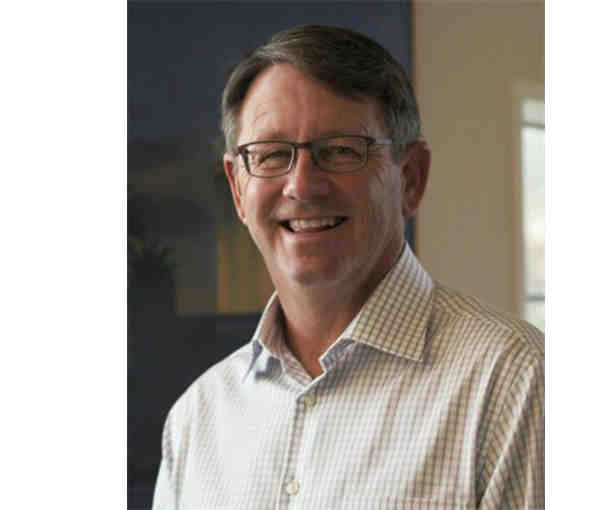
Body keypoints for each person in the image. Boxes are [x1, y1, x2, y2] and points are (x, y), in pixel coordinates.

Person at [152, 25, 544, 509]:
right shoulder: (195, 420)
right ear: (237, 188)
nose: (302, 186)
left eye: (340, 150)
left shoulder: (514, 382)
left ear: (411, 178)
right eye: (271, 155)